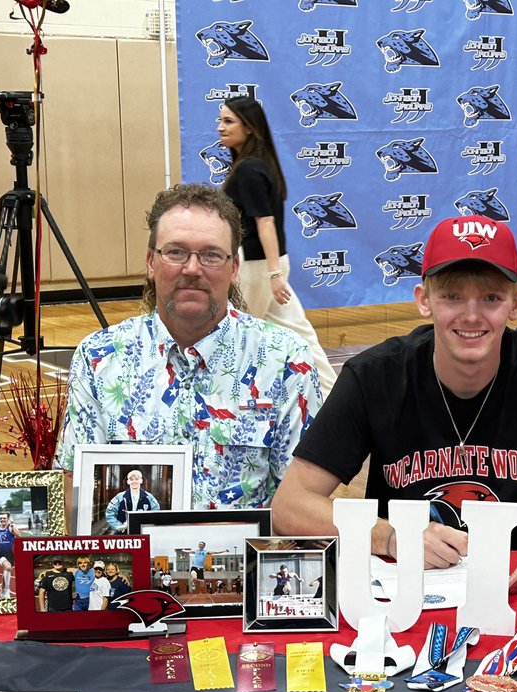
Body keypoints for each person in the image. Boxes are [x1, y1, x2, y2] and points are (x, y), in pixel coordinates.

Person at [269, 214, 517, 593]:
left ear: (516, 303)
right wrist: (391, 536)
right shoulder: (374, 375)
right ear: (424, 300)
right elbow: (289, 506)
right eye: (452, 296)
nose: (471, 315)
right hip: (403, 587)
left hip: (514, 583)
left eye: (491, 298)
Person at [55, 184, 321, 518]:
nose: (192, 269)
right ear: (151, 262)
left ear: (234, 268)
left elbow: (301, 503)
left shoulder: (285, 360)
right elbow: (76, 494)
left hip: (244, 563)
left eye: (211, 254)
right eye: (176, 252)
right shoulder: (99, 358)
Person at [217, 96, 337, 394]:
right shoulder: (257, 165)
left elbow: (265, 222)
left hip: (259, 267)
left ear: (249, 127)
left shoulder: (249, 170)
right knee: (300, 333)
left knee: (239, 335)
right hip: (269, 265)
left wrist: (272, 275)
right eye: (220, 120)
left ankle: (227, 396)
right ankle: (334, 394)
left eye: (228, 121)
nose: (220, 127)